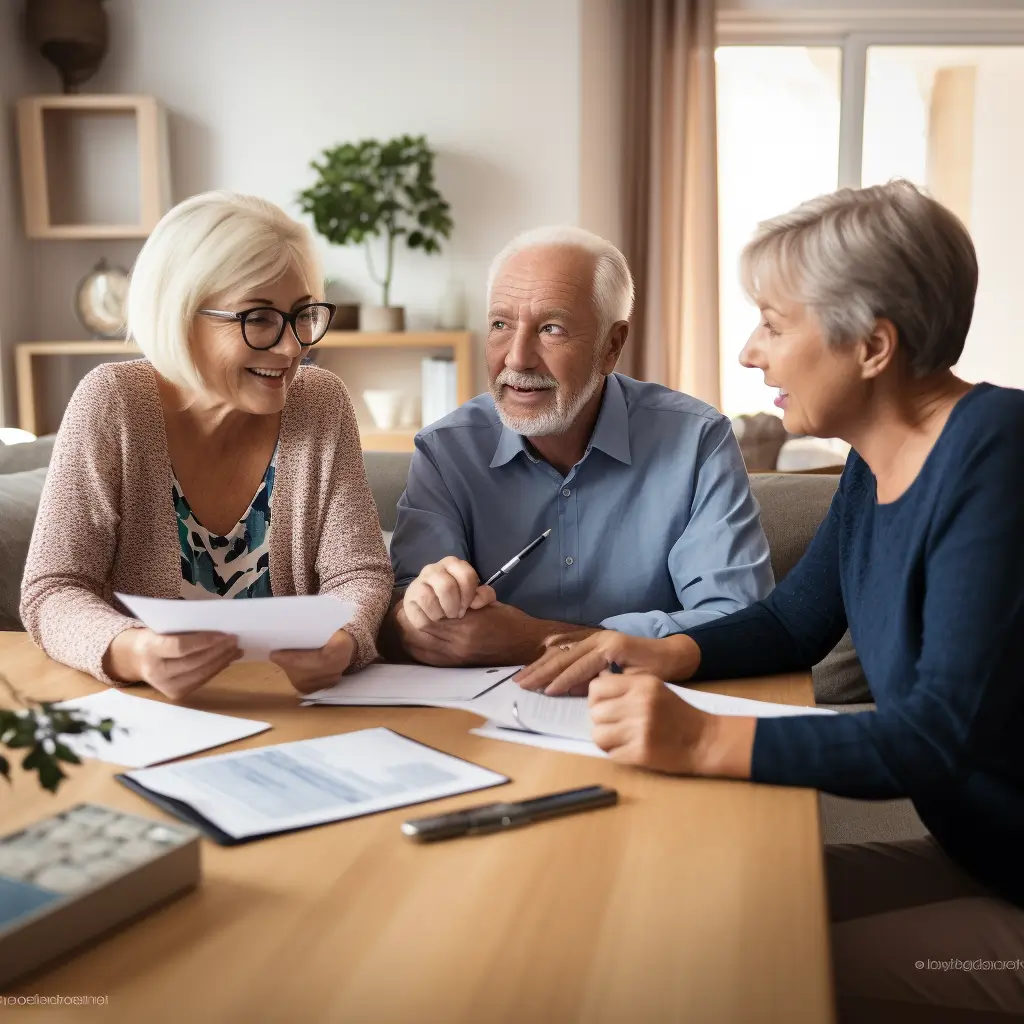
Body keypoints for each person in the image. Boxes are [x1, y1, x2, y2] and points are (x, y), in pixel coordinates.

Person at [515, 182, 1024, 1022]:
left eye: (774, 324)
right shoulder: (876, 458)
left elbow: (938, 735)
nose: (752, 353)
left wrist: (704, 736)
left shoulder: (998, 457)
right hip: (981, 855)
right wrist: (663, 650)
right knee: (691, 910)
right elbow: (797, 621)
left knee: (726, 970)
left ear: (872, 346)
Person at [21, 192, 393, 698]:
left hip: (297, 714)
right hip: (148, 715)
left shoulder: (320, 403)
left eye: (302, 314)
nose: (292, 347)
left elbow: (361, 573)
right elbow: (53, 589)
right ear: (180, 312)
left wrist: (344, 642)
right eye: (258, 318)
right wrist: (136, 652)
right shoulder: (113, 403)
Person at [385, 226, 773, 669]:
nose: (516, 358)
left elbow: (737, 624)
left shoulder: (697, 441)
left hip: (655, 711)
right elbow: (406, 620)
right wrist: (415, 613)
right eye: (500, 324)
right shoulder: (445, 451)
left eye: (551, 328)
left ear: (611, 346)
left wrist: (536, 641)